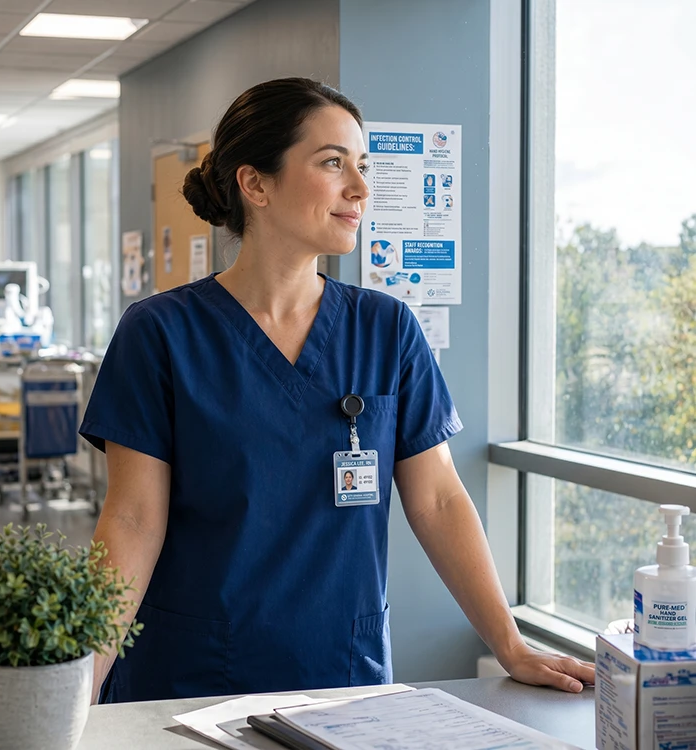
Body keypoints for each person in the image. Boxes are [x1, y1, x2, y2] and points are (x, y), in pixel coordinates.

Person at [80, 77, 594, 704]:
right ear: (256, 184)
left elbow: (437, 500)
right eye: (332, 163)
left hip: (343, 678)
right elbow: (132, 519)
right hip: (191, 678)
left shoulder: (386, 328)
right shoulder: (160, 333)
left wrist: (509, 644)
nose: (360, 188)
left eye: (364, 166)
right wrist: (76, 688)